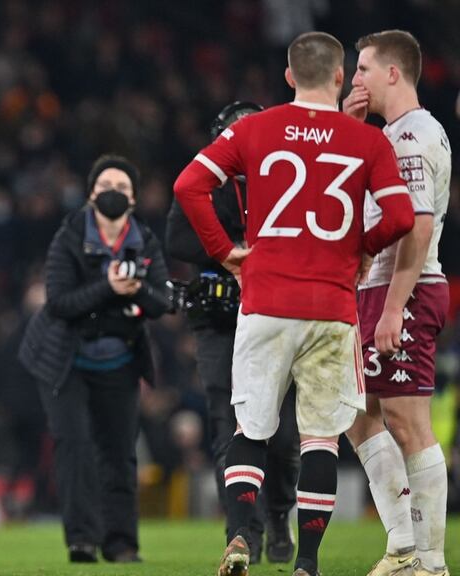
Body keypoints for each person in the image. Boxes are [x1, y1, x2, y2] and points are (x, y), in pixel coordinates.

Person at [173, 31, 415, 576]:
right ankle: (306, 563)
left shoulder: (254, 128)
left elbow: (188, 185)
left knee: (250, 431)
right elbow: (400, 219)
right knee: (320, 439)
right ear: (338, 76)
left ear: (288, 76)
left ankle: (239, 538)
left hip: (265, 300)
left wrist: (226, 252)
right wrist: (359, 250)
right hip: (330, 307)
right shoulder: (366, 141)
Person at [19, 155, 172, 564]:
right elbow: (59, 302)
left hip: (118, 360)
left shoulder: (145, 240)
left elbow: (163, 301)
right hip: (64, 360)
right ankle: (82, 542)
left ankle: (122, 544)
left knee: (120, 453)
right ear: (90, 194)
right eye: (106, 186)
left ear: (135, 199)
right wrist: (109, 287)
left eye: (122, 188)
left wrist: (133, 290)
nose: (113, 194)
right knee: (74, 448)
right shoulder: (69, 236)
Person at [167, 101, 300, 565]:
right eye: (233, 132)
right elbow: (175, 239)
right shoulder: (207, 182)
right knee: (229, 426)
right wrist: (229, 248)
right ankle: (241, 534)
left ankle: (281, 513)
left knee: (283, 436)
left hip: (274, 316)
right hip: (219, 321)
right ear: (219, 138)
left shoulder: (286, 177)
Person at [341, 30, 452, 576]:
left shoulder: (410, 137)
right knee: (358, 417)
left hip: (401, 291)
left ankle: (427, 560)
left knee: (407, 422)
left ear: (393, 73)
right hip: (380, 289)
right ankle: (405, 546)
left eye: (362, 68)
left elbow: (418, 226)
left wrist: (392, 308)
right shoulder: (393, 134)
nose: (355, 78)